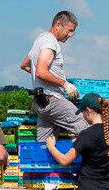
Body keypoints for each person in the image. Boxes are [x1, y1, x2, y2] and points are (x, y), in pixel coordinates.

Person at [20, 11, 87, 144]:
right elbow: (41, 72)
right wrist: (64, 84)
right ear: (58, 24)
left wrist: (45, 77)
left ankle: (41, 163)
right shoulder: (50, 42)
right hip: (53, 100)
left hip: (42, 101)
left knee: (44, 144)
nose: (70, 35)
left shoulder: (40, 39)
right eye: (69, 30)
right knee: (86, 128)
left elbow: (25, 65)